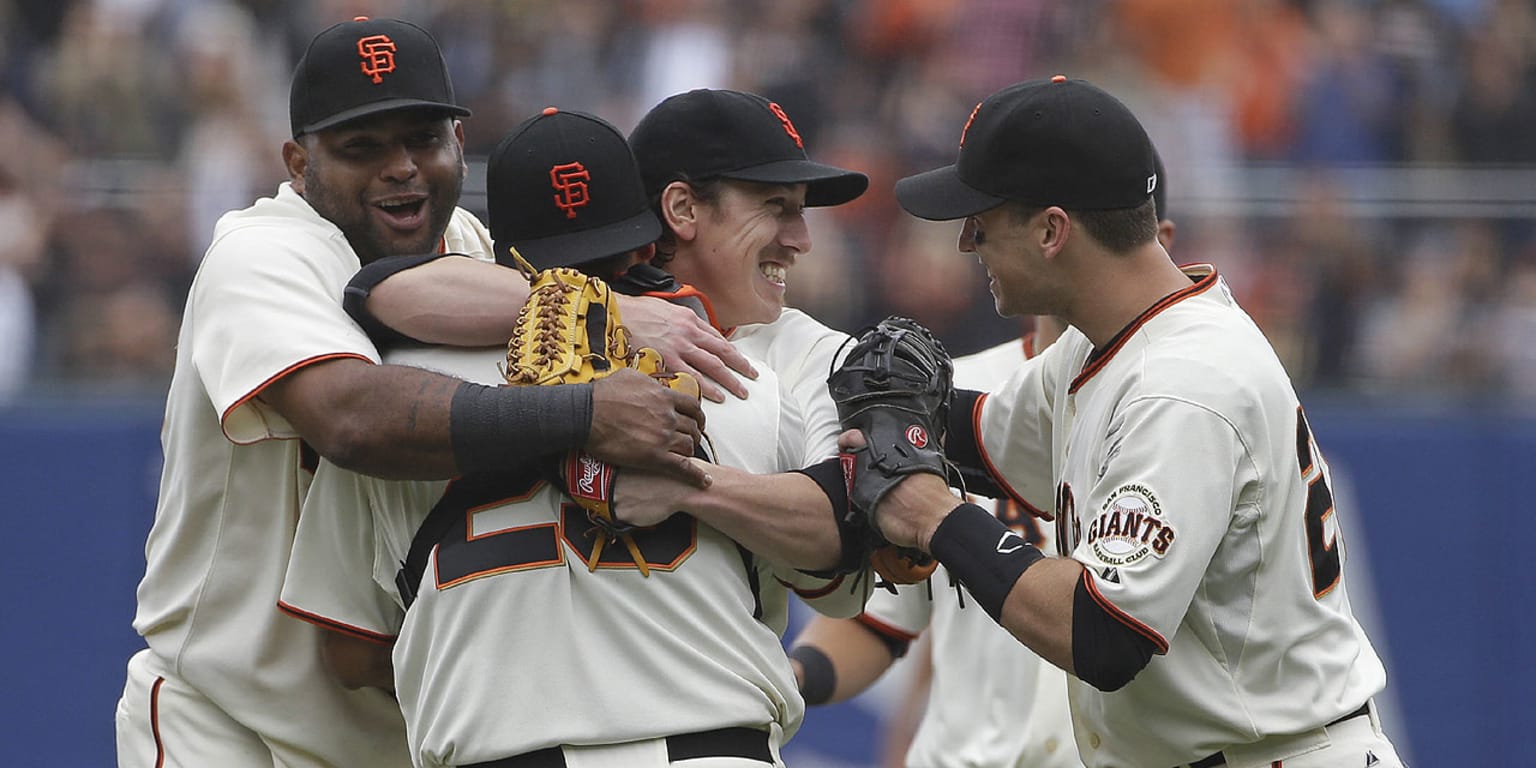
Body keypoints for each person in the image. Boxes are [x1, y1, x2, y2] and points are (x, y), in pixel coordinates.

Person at [114, 18, 743, 768]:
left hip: (408, 733)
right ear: (297, 160)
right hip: (231, 722)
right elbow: (350, 419)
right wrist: (587, 395)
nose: (401, 168)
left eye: (423, 138)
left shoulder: (474, 253)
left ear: (456, 141)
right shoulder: (259, 254)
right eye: (362, 148)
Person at [278, 103, 874, 768]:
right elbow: (840, 574)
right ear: (647, 245)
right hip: (716, 747)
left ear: (506, 261)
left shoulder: (402, 398)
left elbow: (351, 652)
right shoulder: (741, 381)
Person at [842, 76, 1405, 768]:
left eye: (982, 219)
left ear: (1052, 230)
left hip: (1279, 753)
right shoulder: (1111, 339)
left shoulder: (1183, 383)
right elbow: (982, 439)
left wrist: (935, 515)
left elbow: (1101, 636)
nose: (965, 242)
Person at [787, 162, 1176, 768]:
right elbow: (882, 622)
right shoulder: (949, 402)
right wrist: (788, 679)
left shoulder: (1175, 412)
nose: (971, 241)